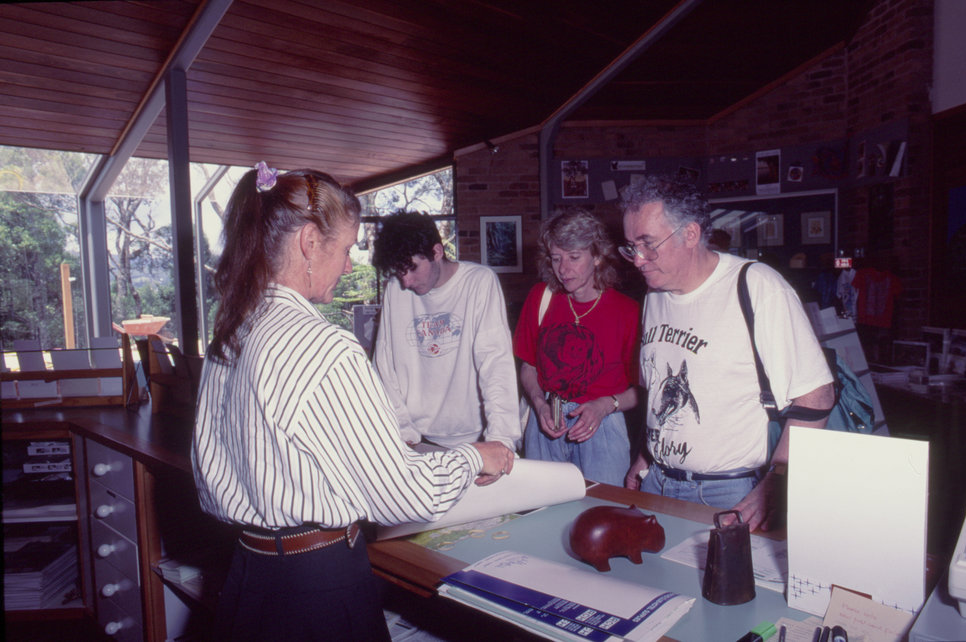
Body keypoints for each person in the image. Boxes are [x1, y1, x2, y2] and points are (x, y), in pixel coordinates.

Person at [191, 164, 512, 641]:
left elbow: (206, 473)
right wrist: (475, 457)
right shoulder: (325, 348)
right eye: (344, 249)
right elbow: (405, 496)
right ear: (308, 243)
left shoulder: (234, 329)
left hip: (249, 572)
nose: (347, 266)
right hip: (316, 584)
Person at [619, 176, 834, 531]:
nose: (638, 260)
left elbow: (816, 396)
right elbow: (658, 390)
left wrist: (773, 487)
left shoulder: (756, 287)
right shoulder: (654, 296)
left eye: (648, 245)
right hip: (658, 480)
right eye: (630, 247)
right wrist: (645, 454)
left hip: (730, 492)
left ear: (690, 234)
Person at [372, 212, 521, 455]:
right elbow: (384, 368)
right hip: (413, 440)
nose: (406, 282)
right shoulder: (395, 291)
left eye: (412, 269)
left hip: (475, 439)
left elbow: (496, 364)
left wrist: (501, 440)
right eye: (399, 272)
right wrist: (401, 432)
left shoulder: (479, 283)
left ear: (437, 252)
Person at [513, 208, 641, 485]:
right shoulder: (541, 298)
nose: (563, 269)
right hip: (546, 421)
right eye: (556, 258)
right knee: (541, 512)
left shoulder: (628, 311)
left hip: (602, 426)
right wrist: (539, 403)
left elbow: (641, 392)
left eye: (574, 257)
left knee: (603, 516)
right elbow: (528, 366)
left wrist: (605, 405)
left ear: (596, 256)